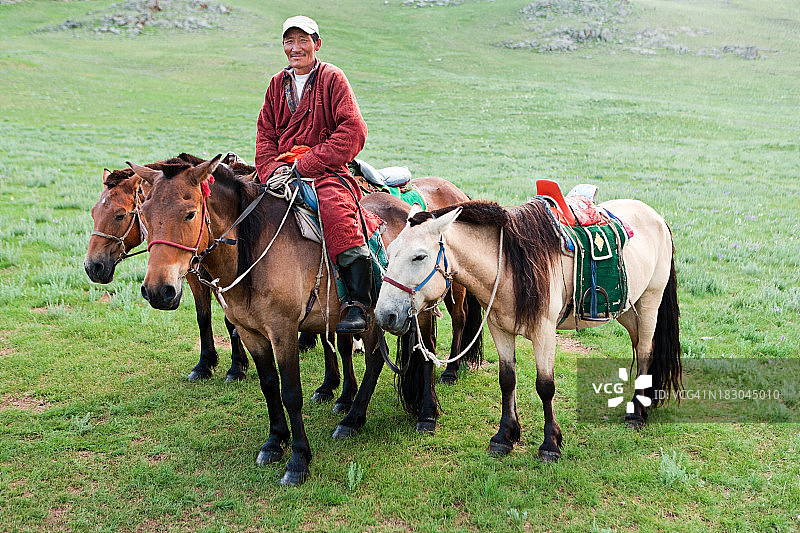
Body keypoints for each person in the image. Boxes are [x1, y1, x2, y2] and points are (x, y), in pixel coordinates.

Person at [255, 15, 383, 334]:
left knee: (337, 212)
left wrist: (305, 165)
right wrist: (273, 172)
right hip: (281, 173)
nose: (295, 48)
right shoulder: (276, 84)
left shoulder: (332, 78)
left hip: (325, 170)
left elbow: (353, 131)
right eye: (289, 41)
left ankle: (356, 302)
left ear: (317, 44)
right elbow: (265, 136)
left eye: (302, 41)